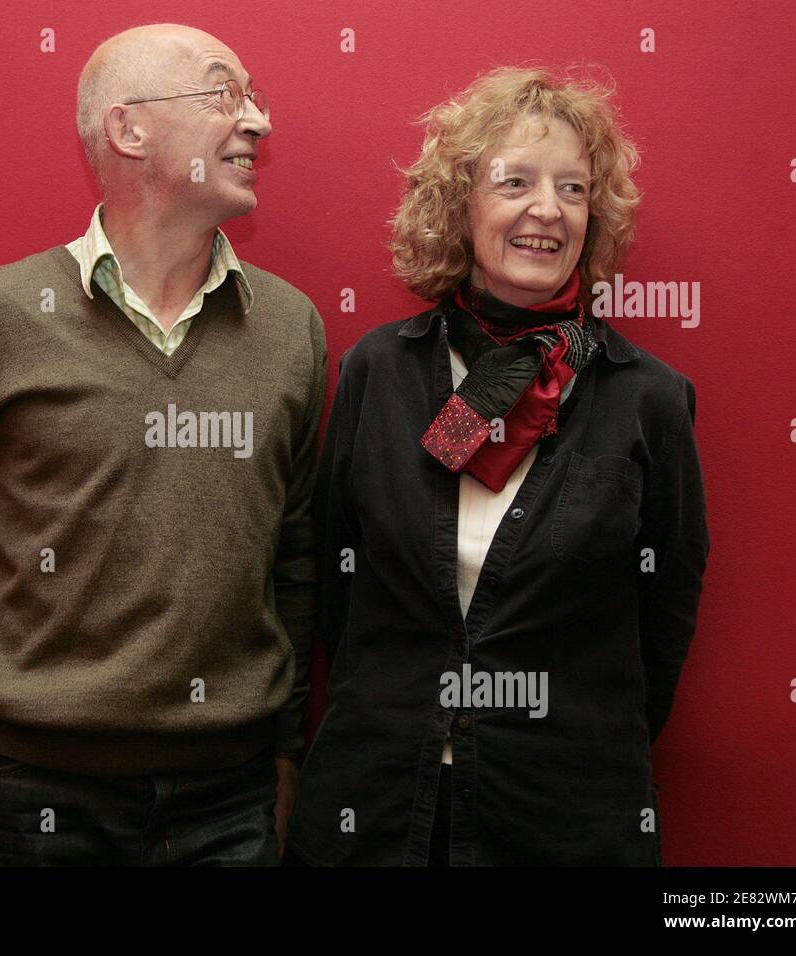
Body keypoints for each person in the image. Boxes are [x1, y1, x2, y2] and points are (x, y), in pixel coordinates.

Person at [0, 23, 326, 866]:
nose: (257, 124)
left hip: (230, 799)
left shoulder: (291, 328)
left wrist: (282, 754)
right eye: (222, 93)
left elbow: (299, 553)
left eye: (255, 99)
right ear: (128, 129)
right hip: (29, 800)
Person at [285, 66, 709, 865]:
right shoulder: (376, 370)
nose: (547, 209)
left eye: (574, 189)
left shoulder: (648, 399)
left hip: (565, 816)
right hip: (375, 809)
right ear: (461, 206)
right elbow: (335, 585)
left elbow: (663, 616)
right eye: (514, 181)